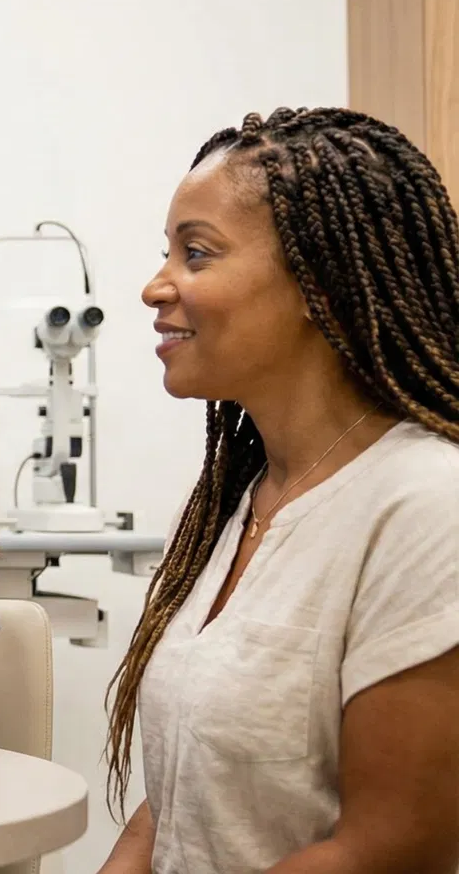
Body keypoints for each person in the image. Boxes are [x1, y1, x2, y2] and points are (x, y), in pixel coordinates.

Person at [100, 108, 459, 873]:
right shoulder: (236, 506)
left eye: (196, 254)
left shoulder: (427, 505)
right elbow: (179, 800)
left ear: (318, 285)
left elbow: (388, 849)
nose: (154, 287)